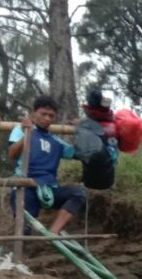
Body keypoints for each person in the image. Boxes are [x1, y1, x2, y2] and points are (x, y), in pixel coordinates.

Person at [8, 95, 86, 235]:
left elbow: (79, 153)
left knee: (78, 194)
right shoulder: (20, 130)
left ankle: (53, 232)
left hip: (49, 189)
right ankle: (19, 254)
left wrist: (83, 131)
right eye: (43, 114)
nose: (47, 119)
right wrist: (27, 134)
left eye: (51, 116)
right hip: (26, 186)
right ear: (34, 112)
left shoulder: (56, 141)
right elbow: (12, 153)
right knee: (23, 228)